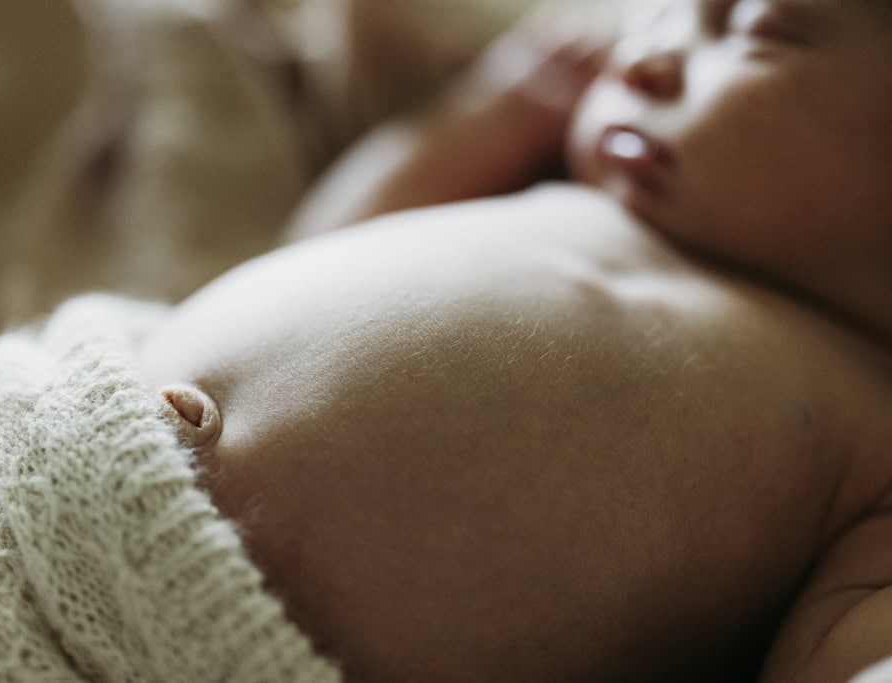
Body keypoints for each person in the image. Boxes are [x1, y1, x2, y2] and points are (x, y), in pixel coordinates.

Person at [138, 0, 892, 680]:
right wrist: (486, 116)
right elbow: (313, 246)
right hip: (82, 433)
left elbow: (845, 649)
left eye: (758, 33)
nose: (641, 62)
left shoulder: (873, 434)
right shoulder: (557, 200)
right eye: (652, 22)